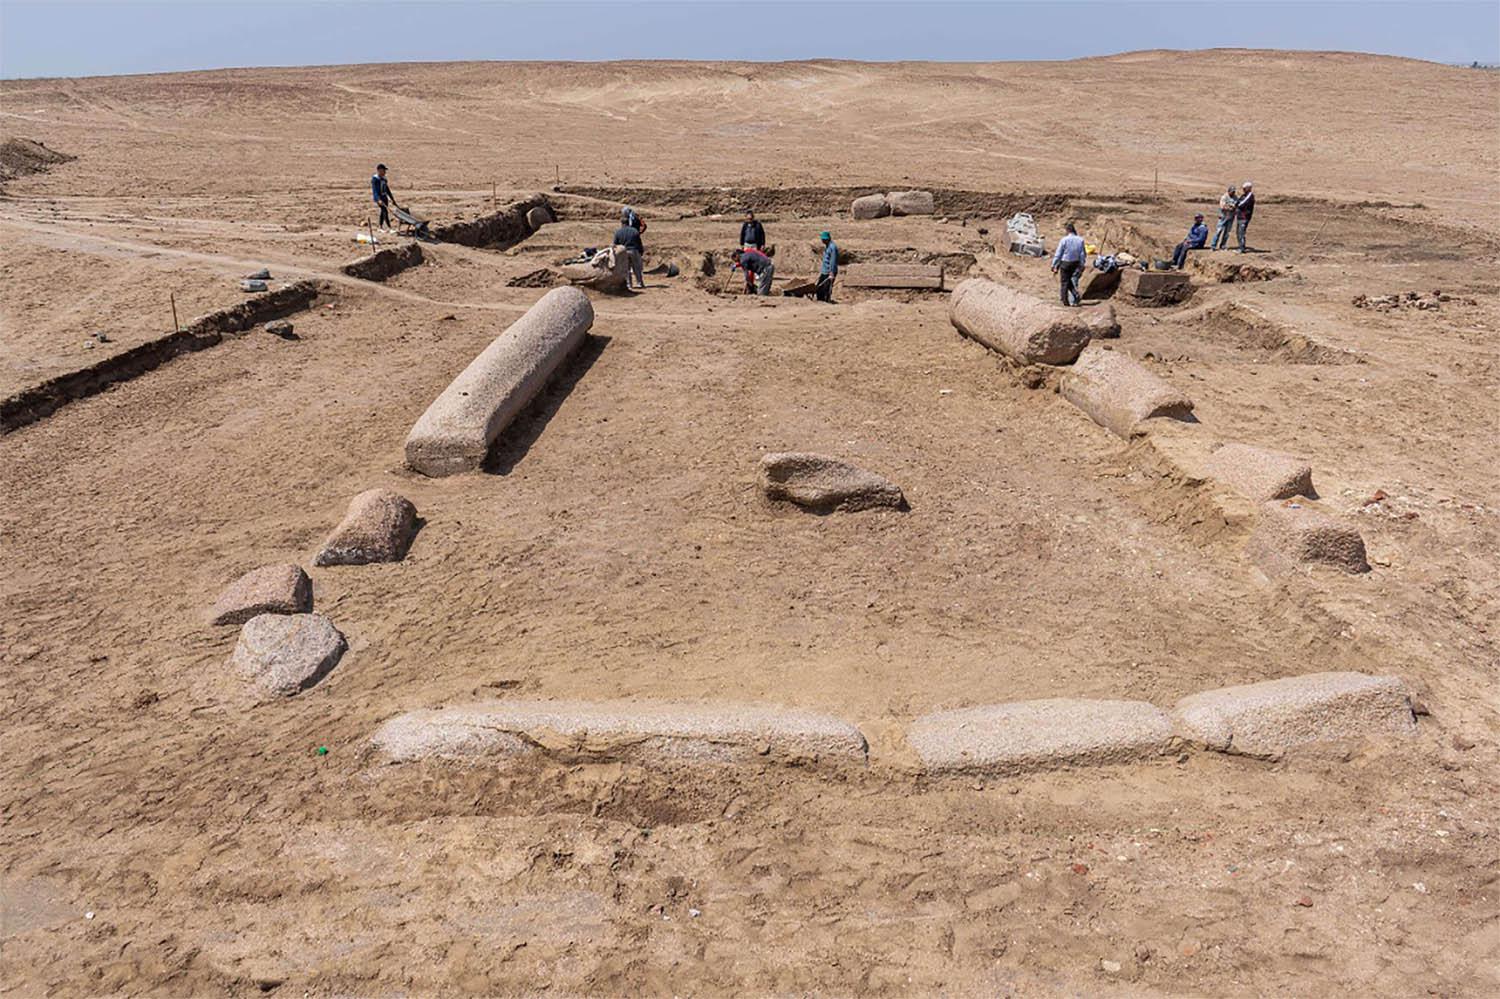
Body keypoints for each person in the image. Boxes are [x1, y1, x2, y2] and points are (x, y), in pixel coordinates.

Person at [1051, 222, 1087, 306]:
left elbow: (1058, 253)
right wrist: (1082, 264)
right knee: (1070, 280)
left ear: (1067, 231)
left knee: (1064, 282)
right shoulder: (1080, 240)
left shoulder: (1064, 240)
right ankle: (1075, 294)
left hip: (1065, 263)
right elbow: (1082, 254)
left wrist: (1054, 264)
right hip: (1075, 263)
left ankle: (1065, 301)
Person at [613, 218, 646, 289]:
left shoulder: (618, 232)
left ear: (622, 223)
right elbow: (639, 243)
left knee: (626, 269)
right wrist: (641, 251)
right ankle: (639, 283)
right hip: (634, 251)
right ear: (629, 223)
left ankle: (629, 284)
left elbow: (615, 244)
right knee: (637, 268)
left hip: (624, 252)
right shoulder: (634, 231)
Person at [1211, 185, 1238, 250]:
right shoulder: (1224, 197)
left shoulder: (1235, 198)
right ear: (1229, 191)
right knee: (1219, 231)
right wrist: (1230, 207)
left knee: (1227, 232)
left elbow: (1236, 206)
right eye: (1232, 191)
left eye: (1234, 192)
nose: (1233, 193)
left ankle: (1223, 245)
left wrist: (1232, 207)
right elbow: (1222, 207)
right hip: (1223, 217)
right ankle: (1213, 246)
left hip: (1231, 217)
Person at [371, 164, 396, 229]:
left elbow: (387, 189)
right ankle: (389, 227)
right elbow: (375, 191)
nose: (385, 172)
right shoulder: (375, 179)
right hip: (379, 198)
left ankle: (380, 226)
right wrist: (378, 199)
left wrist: (392, 199)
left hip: (384, 197)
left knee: (383, 212)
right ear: (379, 170)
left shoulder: (384, 179)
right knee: (385, 211)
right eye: (383, 170)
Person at [816, 230, 838, 302]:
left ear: (827, 239)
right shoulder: (827, 246)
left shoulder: (833, 247)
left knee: (826, 288)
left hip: (829, 271)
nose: (822, 241)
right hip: (824, 271)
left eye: (823, 239)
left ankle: (826, 301)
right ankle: (820, 301)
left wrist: (831, 273)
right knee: (819, 288)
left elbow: (833, 260)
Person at [1235, 181, 1256, 253]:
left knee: (1241, 232)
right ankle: (1241, 247)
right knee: (1238, 233)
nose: (1243, 190)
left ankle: (1241, 248)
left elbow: (1241, 204)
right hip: (1240, 216)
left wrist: (1237, 205)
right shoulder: (1243, 195)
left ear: (1249, 188)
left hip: (1244, 217)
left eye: (1244, 188)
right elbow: (1237, 202)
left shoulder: (1250, 196)